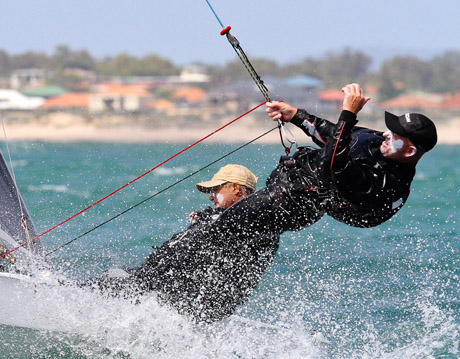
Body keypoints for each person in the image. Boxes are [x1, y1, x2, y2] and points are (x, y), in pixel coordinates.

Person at [219, 83, 437, 235]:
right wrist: (296, 115)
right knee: (231, 224)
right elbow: (336, 135)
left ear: (409, 151)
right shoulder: (378, 141)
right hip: (287, 183)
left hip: (294, 204)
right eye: (391, 129)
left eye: (396, 136)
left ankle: (210, 231)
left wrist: (349, 113)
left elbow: (333, 163)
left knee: (223, 227)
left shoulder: (386, 184)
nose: (387, 135)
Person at [92, 164, 281, 323]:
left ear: (236, 189)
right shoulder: (226, 220)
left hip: (187, 297)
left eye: (216, 190)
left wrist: (209, 222)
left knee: (109, 281)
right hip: (179, 290)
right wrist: (207, 219)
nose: (212, 196)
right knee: (111, 276)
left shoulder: (252, 222)